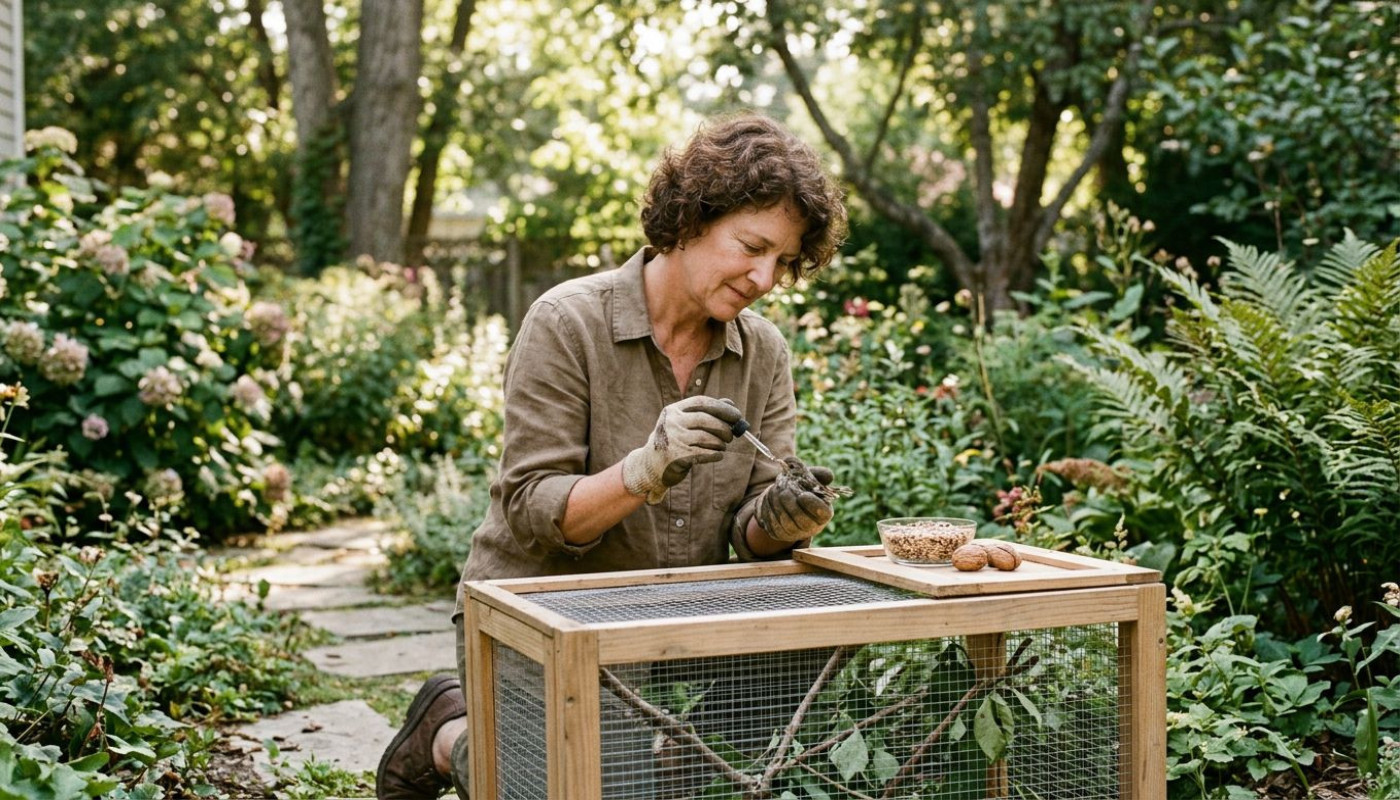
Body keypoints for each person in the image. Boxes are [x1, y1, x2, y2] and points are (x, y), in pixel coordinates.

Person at [376, 110, 848, 800]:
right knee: (582, 786)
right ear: (691, 218)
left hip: (674, 626)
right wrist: (643, 470)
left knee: (779, 682)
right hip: (542, 617)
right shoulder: (567, 321)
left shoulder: (763, 352)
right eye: (751, 247)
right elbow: (534, 510)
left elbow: (750, 531)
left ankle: (660, 765)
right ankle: (450, 734)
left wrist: (778, 520)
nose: (764, 277)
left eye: (782, 262)